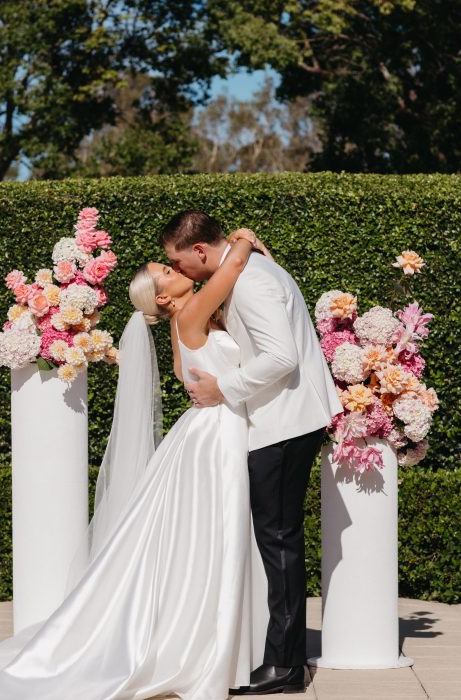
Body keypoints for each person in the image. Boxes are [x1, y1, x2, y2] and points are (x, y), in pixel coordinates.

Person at [0, 230, 270, 700]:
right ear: (164, 297)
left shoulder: (187, 323)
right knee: (218, 532)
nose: (180, 269)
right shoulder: (190, 313)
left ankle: (219, 641)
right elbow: (228, 270)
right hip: (216, 434)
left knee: (209, 538)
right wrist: (246, 241)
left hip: (211, 427)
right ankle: (212, 648)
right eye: (168, 271)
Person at [160, 211, 342, 695]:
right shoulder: (248, 271)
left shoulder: (250, 280)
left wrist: (225, 389)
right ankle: (283, 654)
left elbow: (281, 356)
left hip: (283, 423)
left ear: (200, 251)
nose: (180, 271)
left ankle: (284, 665)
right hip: (282, 420)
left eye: (178, 261)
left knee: (278, 538)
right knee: (276, 537)